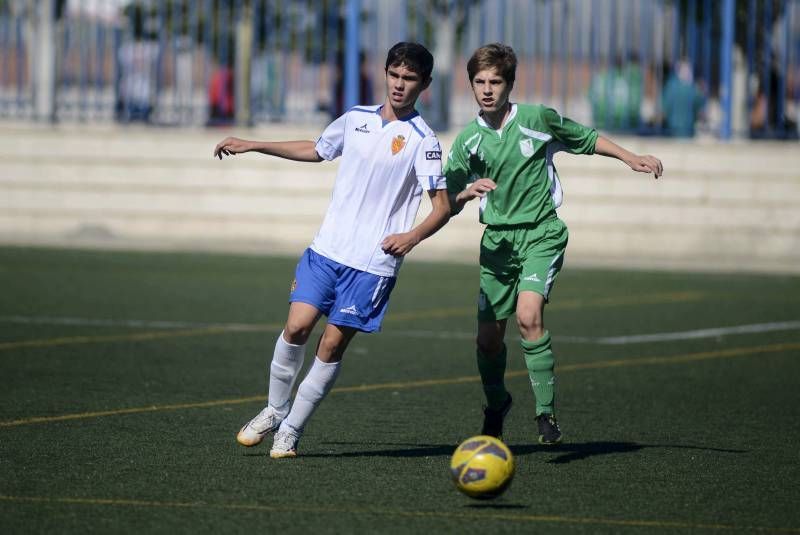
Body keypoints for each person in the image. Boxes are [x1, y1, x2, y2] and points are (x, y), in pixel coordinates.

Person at [213, 42, 450, 459]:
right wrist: (254, 144)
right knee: (297, 328)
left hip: (372, 265)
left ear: (424, 84)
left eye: (409, 78)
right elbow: (317, 149)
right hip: (326, 251)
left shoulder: (423, 140)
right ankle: (273, 409)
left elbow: (442, 207)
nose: (399, 84)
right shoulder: (356, 118)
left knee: (330, 347)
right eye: (394, 74)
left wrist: (410, 238)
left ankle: (291, 430)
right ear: (385, 74)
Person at [444, 43, 663, 445]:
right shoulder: (467, 142)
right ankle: (496, 405)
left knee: (529, 316)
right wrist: (462, 194)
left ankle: (545, 414)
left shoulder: (536, 119)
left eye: (495, 81)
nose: (487, 89)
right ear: (471, 85)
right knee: (487, 340)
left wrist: (630, 157)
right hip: (496, 245)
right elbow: (444, 199)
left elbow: (585, 138)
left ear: (510, 84)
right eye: (479, 82)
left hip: (541, 234)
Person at [661, 60, 706, 138]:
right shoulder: (692, 88)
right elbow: (699, 105)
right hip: (688, 126)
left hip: (673, 125)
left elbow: (665, 106)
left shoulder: (670, 86)